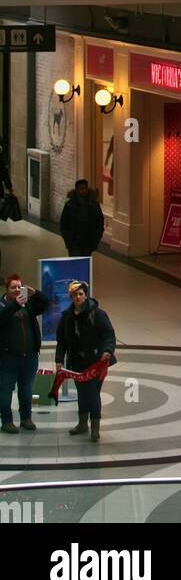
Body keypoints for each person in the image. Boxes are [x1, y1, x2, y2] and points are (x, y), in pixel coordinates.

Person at [54, 281, 116, 443]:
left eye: (80, 294)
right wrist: (59, 360)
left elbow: (109, 335)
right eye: (75, 295)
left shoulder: (98, 314)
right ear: (71, 297)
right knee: (82, 392)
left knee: (92, 393)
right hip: (77, 362)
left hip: (96, 362)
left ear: (85, 295)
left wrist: (107, 350)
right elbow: (62, 342)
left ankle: (95, 427)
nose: (78, 297)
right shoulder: (66, 317)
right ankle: (82, 424)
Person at [0, 275, 48, 434]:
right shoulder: (2, 305)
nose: (16, 290)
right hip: (7, 358)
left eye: (19, 287)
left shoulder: (28, 304)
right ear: (7, 289)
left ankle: (26, 418)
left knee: (26, 390)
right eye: (13, 287)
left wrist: (36, 294)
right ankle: (7, 421)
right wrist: (15, 305)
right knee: (5, 391)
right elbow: (2, 318)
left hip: (30, 358)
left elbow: (45, 305)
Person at [60, 178, 105, 257]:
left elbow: (100, 221)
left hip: (88, 241)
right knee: (75, 261)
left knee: (85, 261)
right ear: (76, 190)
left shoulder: (94, 205)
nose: (84, 191)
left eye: (85, 188)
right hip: (74, 241)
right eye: (81, 188)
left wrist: (97, 238)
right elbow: (64, 223)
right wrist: (68, 240)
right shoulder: (70, 205)